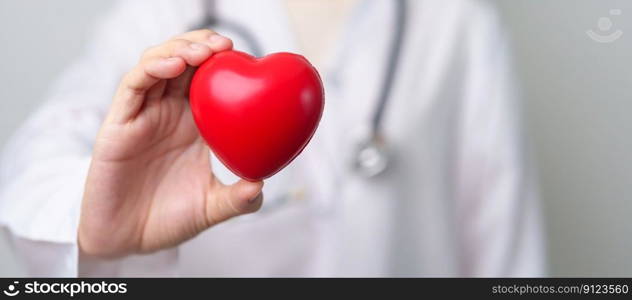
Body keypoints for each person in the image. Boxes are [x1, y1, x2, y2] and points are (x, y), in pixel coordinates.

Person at [0, 0, 545, 277]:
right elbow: (31, 166)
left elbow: (507, 238)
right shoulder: (159, 15)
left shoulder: (456, 22)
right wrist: (95, 222)